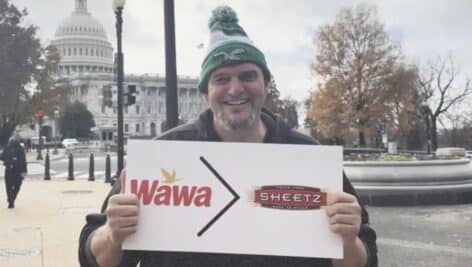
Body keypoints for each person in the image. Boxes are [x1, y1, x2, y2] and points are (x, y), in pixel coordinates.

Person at [79, 5, 377, 267]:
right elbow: (93, 256)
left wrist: (347, 240)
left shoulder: (309, 157)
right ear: (205, 93)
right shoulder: (164, 155)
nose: (235, 89)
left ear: (265, 85)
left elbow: (364, 259)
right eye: (221, 79)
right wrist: (112, 234)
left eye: (248, 75)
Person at [0, 134, 27, 209]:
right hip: (18, 170)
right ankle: (12, 199)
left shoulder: (7, 147)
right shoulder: (21, 148)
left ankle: (10, 200)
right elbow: (23, 160)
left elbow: (1, 157)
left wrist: (7, 161)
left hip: (9, 169)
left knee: (8, 186)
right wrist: (24, 171)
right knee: (17, 186)